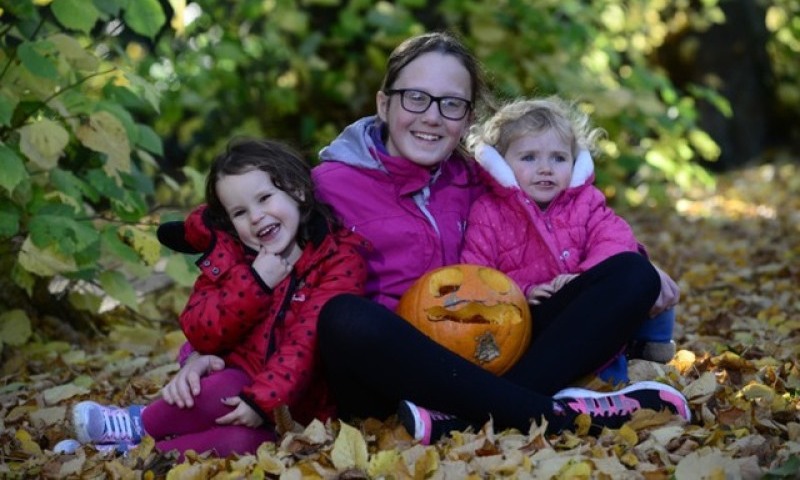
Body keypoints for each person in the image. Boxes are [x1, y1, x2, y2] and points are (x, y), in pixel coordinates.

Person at [310, 31, 688, 445]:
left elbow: (565, 219)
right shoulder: (330, 185)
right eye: (415, 98)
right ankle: (554, 416)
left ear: (468, 117)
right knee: (343, 317)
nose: (432, 117)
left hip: (492, 350)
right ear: (384, 104)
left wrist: (632, 257)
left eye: (451, 104)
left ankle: (462, 421)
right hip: (393, 375)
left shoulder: (479, 178)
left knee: (631, 274)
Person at [66, 139, 368, 457]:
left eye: (265, 198)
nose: (256, 217)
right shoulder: (231, 257)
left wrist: (263, 401)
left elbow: (306, 343)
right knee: (221, 389)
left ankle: (127, 455)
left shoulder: (339, 258)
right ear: (229, 221)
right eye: (240, 212)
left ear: (298, 192)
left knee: (244, 446)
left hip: (301, 408)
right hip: (237, 381)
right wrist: (255, 282)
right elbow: (200, 328)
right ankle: (137, 426)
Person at [461, 96, 676, 385]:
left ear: (573, 161)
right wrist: (523, 292)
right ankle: (578, 380)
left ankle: (644, 354)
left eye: (558, 158)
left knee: (646, 275)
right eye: (529, 157)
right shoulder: (488, 212)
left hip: (584, 302)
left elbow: (614, 241)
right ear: (501, 163)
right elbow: (477, 277)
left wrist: (583, 279)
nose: (545, 168)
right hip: (530, 318)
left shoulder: (586, 202)